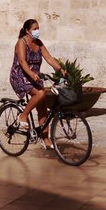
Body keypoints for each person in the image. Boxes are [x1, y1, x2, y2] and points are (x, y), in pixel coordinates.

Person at [9, 18, 64, 149]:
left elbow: (49, 58)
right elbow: (22, 61)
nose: (37, 31)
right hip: (20, 76)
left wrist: (61, 70)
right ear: (27, 31)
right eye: (34, 29)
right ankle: (23, 115)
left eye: (38, 28)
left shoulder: (39, 43)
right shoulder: (21, 43)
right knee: (41, 93)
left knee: (43, 109)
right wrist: (32, 73)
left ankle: (45, 139)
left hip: (35, 78)